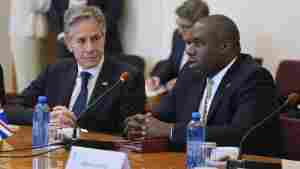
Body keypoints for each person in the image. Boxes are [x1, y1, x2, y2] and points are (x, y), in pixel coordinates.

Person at [125, 15, 282, 157]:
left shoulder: (254, 78)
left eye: (198, 43)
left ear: (224, 47)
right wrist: (140, 124)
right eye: (188, 43)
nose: (188, 51)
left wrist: (170, 130)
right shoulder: (191, 72)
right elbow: (163, 113)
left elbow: (240, 134)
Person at [21, 6, 145, 133]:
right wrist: (45, 117)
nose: (90, 48)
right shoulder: (55, 70)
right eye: (81, 41)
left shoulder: (127, 77)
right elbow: (13, 107)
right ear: (69, 43)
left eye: (95, 38)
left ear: (104, 37)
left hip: (99, 151)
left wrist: (76, 128)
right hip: (54, 149)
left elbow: (130, 132)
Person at [146, 0, 209, 91]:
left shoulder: (211, 46)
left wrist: (183, 82)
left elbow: (207, 78)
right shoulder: (178, 35)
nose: (179, 31)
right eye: (178, 25)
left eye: (184, 27)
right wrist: (158, 78)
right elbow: (172, 62)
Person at [47, 0, 123, 58]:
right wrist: (62, 35)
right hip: (67, 48)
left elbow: (114, 12)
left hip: (103, 46)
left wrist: (91, 33)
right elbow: (53, 13)